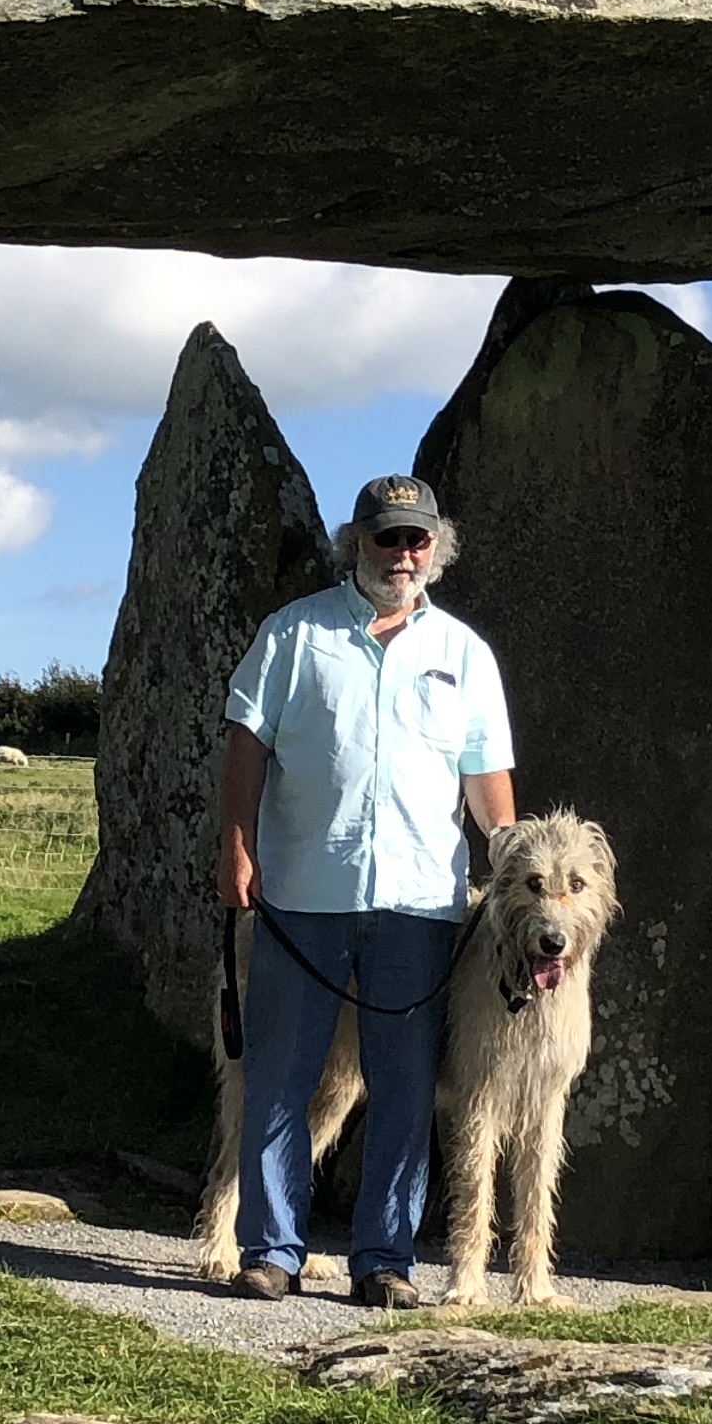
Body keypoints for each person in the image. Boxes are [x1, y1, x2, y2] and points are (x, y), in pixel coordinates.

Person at [216, 473, 516, 1305]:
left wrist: (508, 858)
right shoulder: (293, 633)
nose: (403, 554)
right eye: (388, 538)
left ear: (437, 548)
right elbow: (246, 746)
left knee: (403, 1089)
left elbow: (486, 777)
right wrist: (235, 848)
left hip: (420, 904)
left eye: (418, 539)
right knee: (281, 1078)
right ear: (357, 544)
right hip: (302, 894)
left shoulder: (464, 653)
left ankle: (384, 1260)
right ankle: (270, 1251)